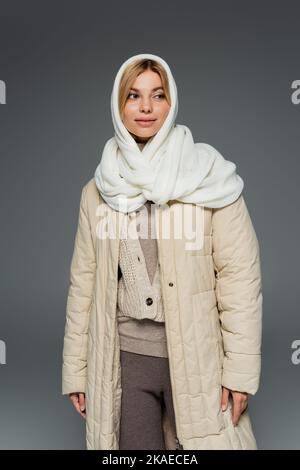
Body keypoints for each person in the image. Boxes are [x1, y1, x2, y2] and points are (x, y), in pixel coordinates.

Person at [62, 53, 263, 450]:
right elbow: (82, 286)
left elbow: (240, 278)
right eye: (134, 96)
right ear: (119, 106)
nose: (146, 107)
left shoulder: (210, 177)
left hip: (196, 361)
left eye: (158, 95)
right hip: (124, 362)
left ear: (171, 102)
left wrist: (240, 373)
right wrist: (76, 371)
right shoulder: (97, 190)